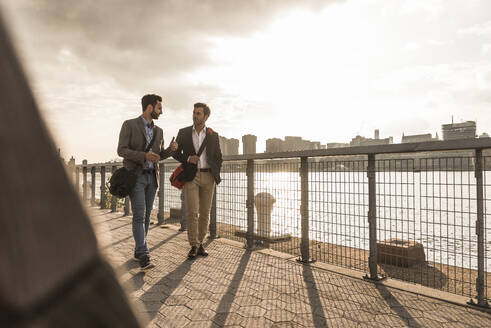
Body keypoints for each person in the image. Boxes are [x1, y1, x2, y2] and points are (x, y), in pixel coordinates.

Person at [117, 94, 178, 270]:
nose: (162, 111)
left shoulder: (159, 131)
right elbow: (121, 150)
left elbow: (159, 156)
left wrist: (170, 151)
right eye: (159, 107)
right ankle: (144, 254)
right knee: (139, 214)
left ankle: (138, 251)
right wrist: (144, 156)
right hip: (136, 177)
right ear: (150, 107)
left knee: (146, 216)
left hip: (153, 177)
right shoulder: (129, 125)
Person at [173, 103, 222, 259]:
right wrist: (187, 158)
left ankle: (200, 243)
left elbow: (218, 157)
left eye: (199, 113)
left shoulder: (213, 135)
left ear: (206, 116)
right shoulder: (184, 132)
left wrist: (215, 171)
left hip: (209, 177)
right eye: (194, 112)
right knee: (192, 212)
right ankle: (193, 245)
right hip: (191, 176)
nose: (195, 115)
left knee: (205, 213)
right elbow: (175, 153)